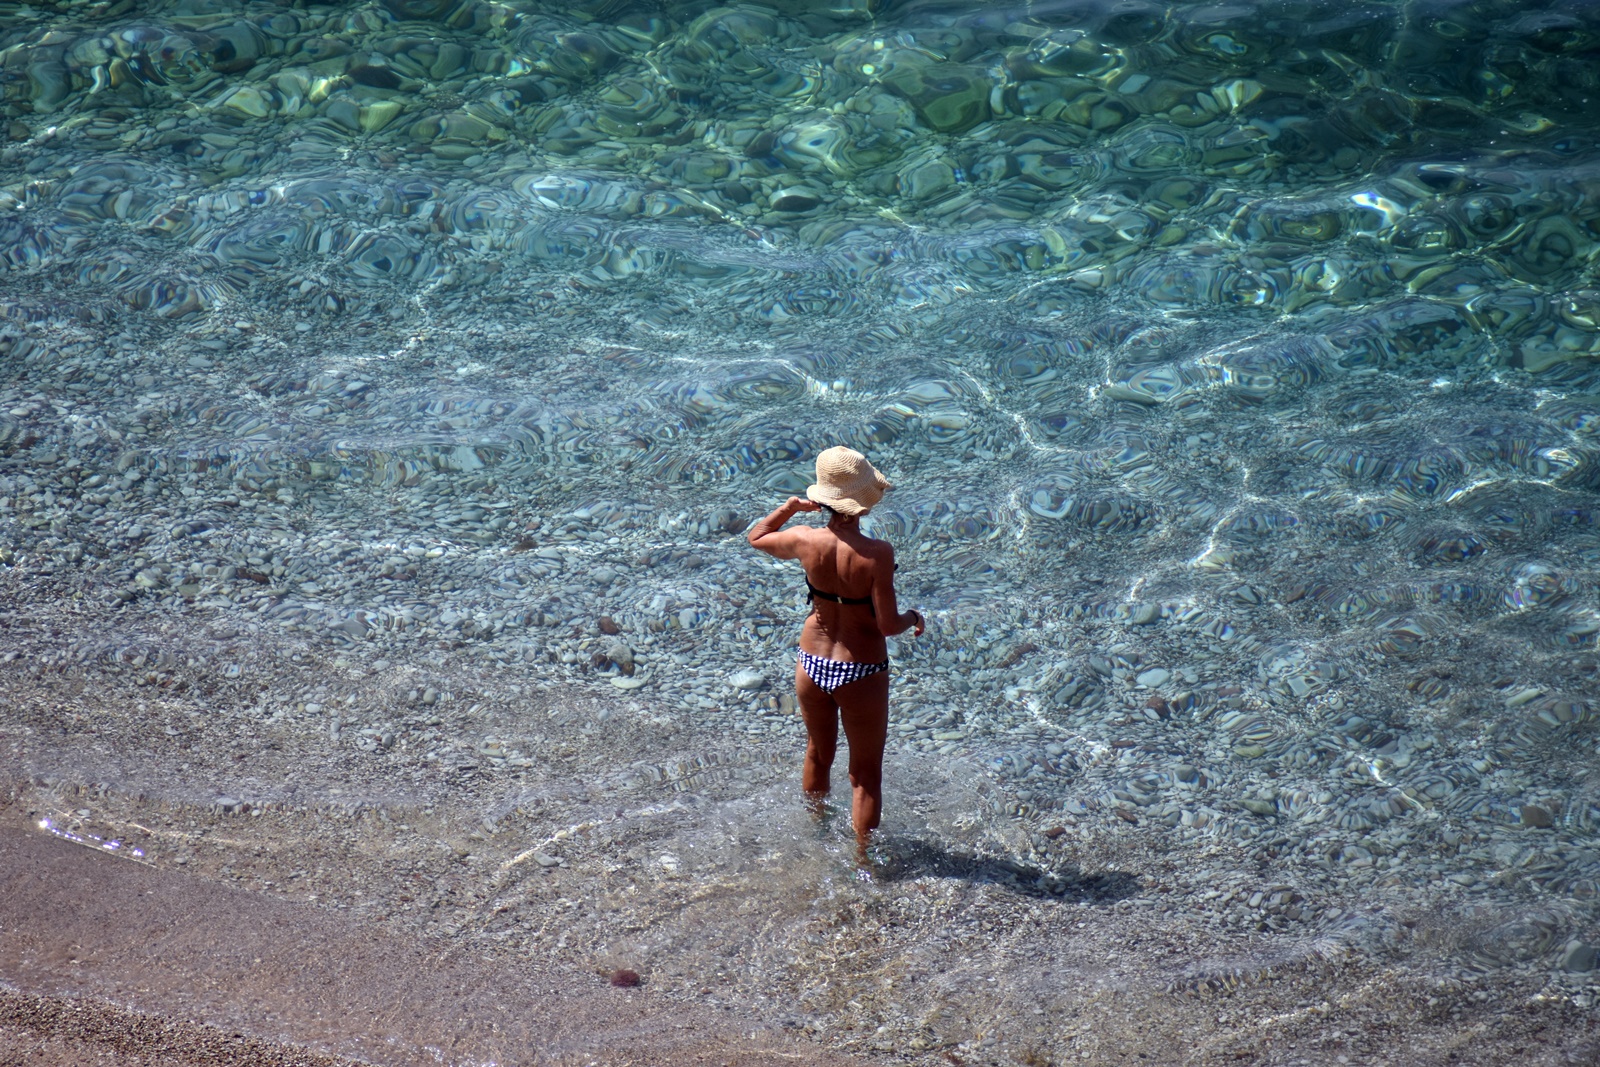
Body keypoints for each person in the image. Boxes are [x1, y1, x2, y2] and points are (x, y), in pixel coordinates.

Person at [747, 446, 925, 857]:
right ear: (861, 503)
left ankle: (816, 836)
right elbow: (886, 624)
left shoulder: (805, 541)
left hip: (811, 663)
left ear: (823, 498)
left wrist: (791, 507)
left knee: (818, 753)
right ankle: (863, 861)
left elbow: (756, 537)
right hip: (860, 670)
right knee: (864, 777)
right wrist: (914, 616)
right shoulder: (877, 554)